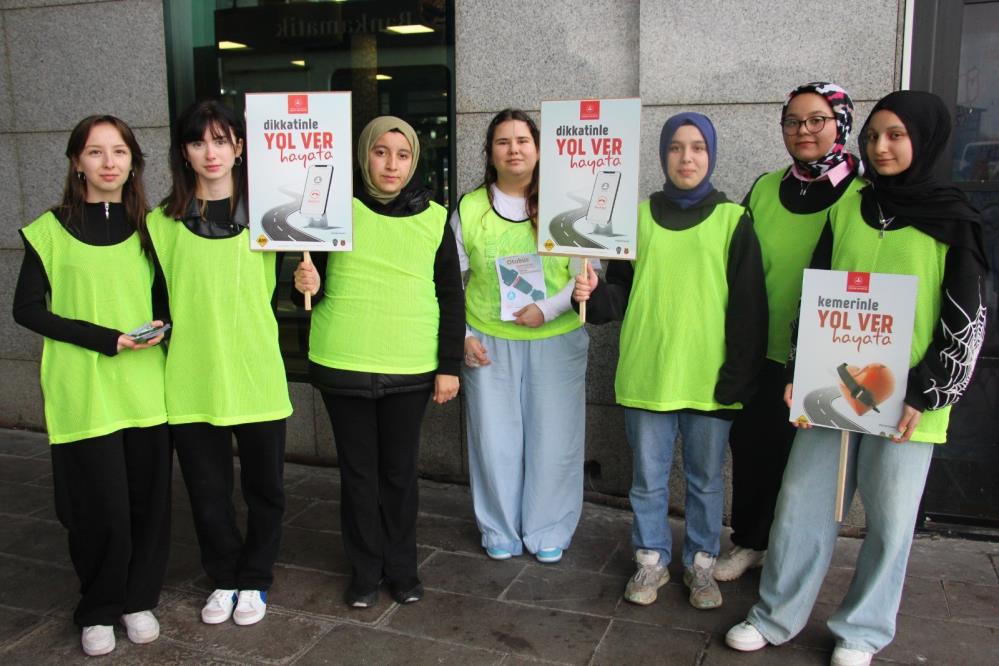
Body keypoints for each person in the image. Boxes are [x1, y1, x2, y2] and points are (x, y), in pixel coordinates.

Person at [725, 91, 988, 666]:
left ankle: (862, 631)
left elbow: (966, 318)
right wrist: (801, 367)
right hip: (834, 391)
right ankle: (775, 615)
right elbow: (815, 290)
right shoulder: (849, 205)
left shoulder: (953, 217)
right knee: (801, 503)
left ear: (925, 139)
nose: (882, 146)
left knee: (891, 523)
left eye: (896, 135)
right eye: (873, 136)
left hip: (911, 401)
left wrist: (927, 389)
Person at [574, 112, 766, 609]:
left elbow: (749, 308)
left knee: (704, 482)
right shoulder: (634, 218)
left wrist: (738, 378)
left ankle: (701, 565)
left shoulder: (733, 220)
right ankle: (651, 561)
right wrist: (592, 293)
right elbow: (617, 294)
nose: (687, 157)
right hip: (648, 374)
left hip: (710, 380)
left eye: (698, 147)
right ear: (663, 155)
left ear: (711, 155)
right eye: (677, 148)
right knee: (648, 480)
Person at [12, 115, 170, 656]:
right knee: (97, 509)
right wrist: (106, 338)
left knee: (148, 503)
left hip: (147, 391)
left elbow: (167, 301)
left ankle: (138, 599)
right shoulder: (49, 230)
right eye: (96, 152)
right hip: (84, 390)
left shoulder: (153, 228)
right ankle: (99, 607)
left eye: (119, 152)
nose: (109, 163)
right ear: (76, 161)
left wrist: (160, 326)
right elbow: (26, 310)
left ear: (133, 161)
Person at [293, 116, 463, 609]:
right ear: (364, 155)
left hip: (410, 367)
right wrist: (304, 283)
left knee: (399, 474)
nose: (391, 164)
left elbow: (451, 296)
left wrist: (448, 364)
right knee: (359, 475)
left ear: (415, 160)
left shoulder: (434, 216)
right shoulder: (331, 210)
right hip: (343, 362)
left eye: (403, 154)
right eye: (381, 152)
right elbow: (309, 284)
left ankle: (402, 569)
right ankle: (365, 571)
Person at [148, 100, 292, 627]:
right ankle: (225, 575)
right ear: (183, 152)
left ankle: (255, 578)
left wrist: (310, 284)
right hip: (192, 374)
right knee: (208, 492)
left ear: (240, 147)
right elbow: (153, 303)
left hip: (256, 368)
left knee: (265, 489)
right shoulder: (159, 225)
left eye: (221, 139)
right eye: (198, 141)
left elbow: (310, 288)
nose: (211, 152)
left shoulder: (273, 218)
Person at [718, 82, 863, 581]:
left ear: (841, 122)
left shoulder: (864, 193)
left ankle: (794, 556)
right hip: (762, 349)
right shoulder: (764, 186)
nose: (803, 131)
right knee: (755, 453)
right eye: (793, 121)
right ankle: (751, 542)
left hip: (828, 358)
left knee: (808, 469)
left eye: (817, 119)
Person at [453, 109, 589, 565]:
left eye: (523, 141)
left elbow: (587, 273)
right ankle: (499, 527)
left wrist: (547, 309)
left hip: (556, 338)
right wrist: (464, 335)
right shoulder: (470, 208)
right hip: (488, 340)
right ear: (490, 153)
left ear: (538, 149)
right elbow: (448, 279)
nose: (514, 149)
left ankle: (548, 526)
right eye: (503, 142)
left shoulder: (564, 202)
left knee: (555, 438)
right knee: (494, 440)